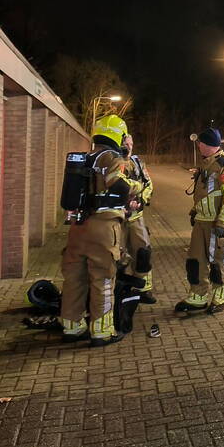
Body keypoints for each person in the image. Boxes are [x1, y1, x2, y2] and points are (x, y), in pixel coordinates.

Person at [60, 115, 143, 346]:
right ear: (118, 135)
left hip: (78, 227)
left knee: (74, 278)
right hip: (104, 227)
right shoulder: (112, 158)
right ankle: (102, 331)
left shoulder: (86, 158)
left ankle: (72, 326)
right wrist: (136, 186)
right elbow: (116, 182)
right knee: (103, 279)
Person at [175, 127, 224, 315]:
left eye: (200, 143)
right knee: (196, 261)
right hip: (202, 222)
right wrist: (195, 211)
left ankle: (221, 297)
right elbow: (204, 192)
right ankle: (198, 297)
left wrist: (222, 222)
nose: (198, 146)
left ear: (205, 144)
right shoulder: (207, 163)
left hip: (217, 224)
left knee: (219, 262)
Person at [123, 134, 156, 304]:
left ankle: (143, 288)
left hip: (136, 218)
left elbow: (149, 184)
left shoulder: (138, 163)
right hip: (116, 219)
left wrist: (141, 200)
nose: (129, 147)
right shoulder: (113, 161)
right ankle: (118, 288)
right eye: (126, 143)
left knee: (143, 252)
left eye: (132, 143)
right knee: (117, 256)